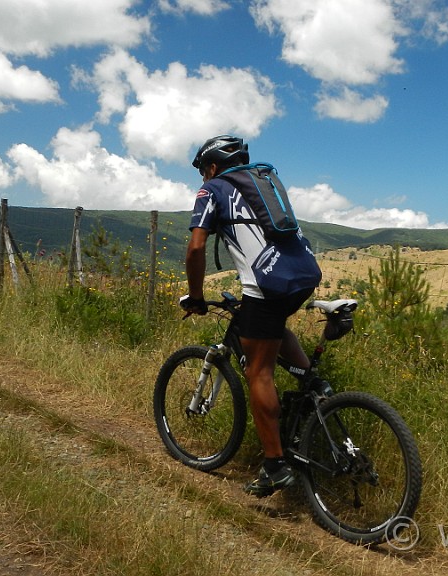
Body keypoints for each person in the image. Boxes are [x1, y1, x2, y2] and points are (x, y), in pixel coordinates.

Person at [181, 134, 323, 497]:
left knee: (258, 371)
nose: (202, 178)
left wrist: (196, 296)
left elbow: (196, 247)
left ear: (211, 167)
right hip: (303, 274)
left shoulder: (213, 189)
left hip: (264, 285)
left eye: (202, 171)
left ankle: (274, 466)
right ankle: (315, 386)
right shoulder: (262, 183)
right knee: (271, 330)